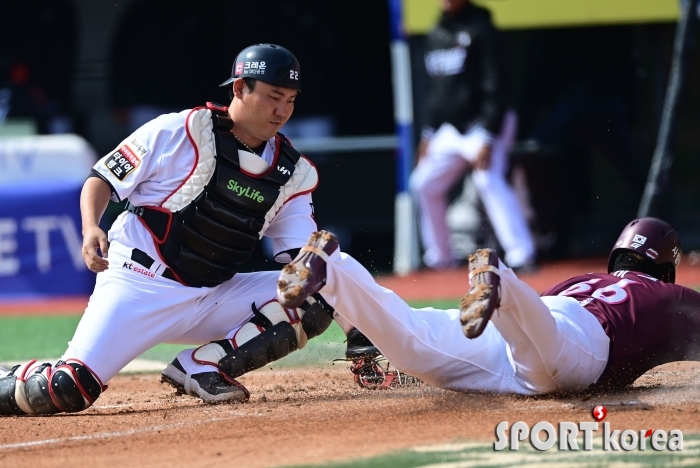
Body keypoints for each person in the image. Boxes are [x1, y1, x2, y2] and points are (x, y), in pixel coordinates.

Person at [0, 44, 338, 416]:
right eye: (274, 96)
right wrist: (90, 227)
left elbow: (306, 260)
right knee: (65, 389)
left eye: (290, 100)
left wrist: (360, 328)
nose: (283, 110)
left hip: (212, 294)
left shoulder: (290, 170)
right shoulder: (178, 129)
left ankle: (205, 366)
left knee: (315, 297)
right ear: (240, 88)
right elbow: (101, 178)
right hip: (141, 281)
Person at [277, 217, 700, 394]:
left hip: (525, 330)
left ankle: (335, 266)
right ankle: (500, 280)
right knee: (549, 364)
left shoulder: (589, 279)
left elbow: (551, 307)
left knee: (409, 342)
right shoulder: (669, 297)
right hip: (576, 343)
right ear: (666, 266)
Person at [409, 0, 535, 270]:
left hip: (485, 123)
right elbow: (435, 93)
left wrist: (489, 136)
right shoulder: (436, 33)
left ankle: (521, 255)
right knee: (423, 183)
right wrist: (428, 134)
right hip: (450, 129)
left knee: (487, 179)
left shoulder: (483, 28)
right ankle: (441, 258)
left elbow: (499, 87)